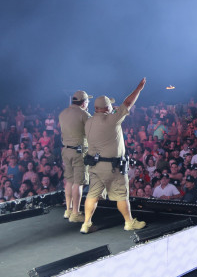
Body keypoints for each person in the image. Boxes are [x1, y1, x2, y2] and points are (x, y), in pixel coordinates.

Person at [80, 79, 146, 234]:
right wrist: (138, 89)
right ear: (107, 108)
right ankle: (129, 222)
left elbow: (105, 117)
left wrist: (111, 111)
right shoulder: (112, 119)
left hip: (95, 166)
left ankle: (86, 224)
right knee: (122, 195)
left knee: (92, 195)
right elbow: (127, 103)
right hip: (112, 167)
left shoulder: (88, 122)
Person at [59, 90, 91, 223]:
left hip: (66, 150)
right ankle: (76, 213)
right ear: (83, 103)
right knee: (78, 182)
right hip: (79, 152)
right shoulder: (84, 114)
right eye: (87, 101)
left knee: (69, 181)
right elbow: (91, 132)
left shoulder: (62, 113)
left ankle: (68, 210)